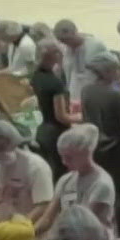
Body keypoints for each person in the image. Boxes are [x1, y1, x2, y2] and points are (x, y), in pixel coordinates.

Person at [78, 51, 120, 234]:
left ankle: (94, 227)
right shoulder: (116, 95)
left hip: (95, 146)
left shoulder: (86, 90)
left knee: (98, 188)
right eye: (116, 69)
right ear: (107, 71)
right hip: (116, 149)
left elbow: (84, 117)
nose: (119, 72)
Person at [41, 123, 116, 237]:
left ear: (86, 153)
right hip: (69, 238)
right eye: (62, 157)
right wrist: (29, 233)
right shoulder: (66, 180)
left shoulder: (101, 184)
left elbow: (84, 226)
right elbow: (48, 218)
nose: (64, 162)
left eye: (69, 157)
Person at [0, 121, 53, 222]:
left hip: (30, 230)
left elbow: (43, 205)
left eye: (3, 150)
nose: (0, 156)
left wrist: (19, 229)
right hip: (0, 232)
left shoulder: (36, 166)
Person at [30, 40, 79, 174]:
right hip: (55, 133)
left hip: (41, 128)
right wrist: (83, 116)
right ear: (55, 56)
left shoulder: (35, 75)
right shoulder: (55, 83)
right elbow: (61, 116)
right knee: (60, 172)